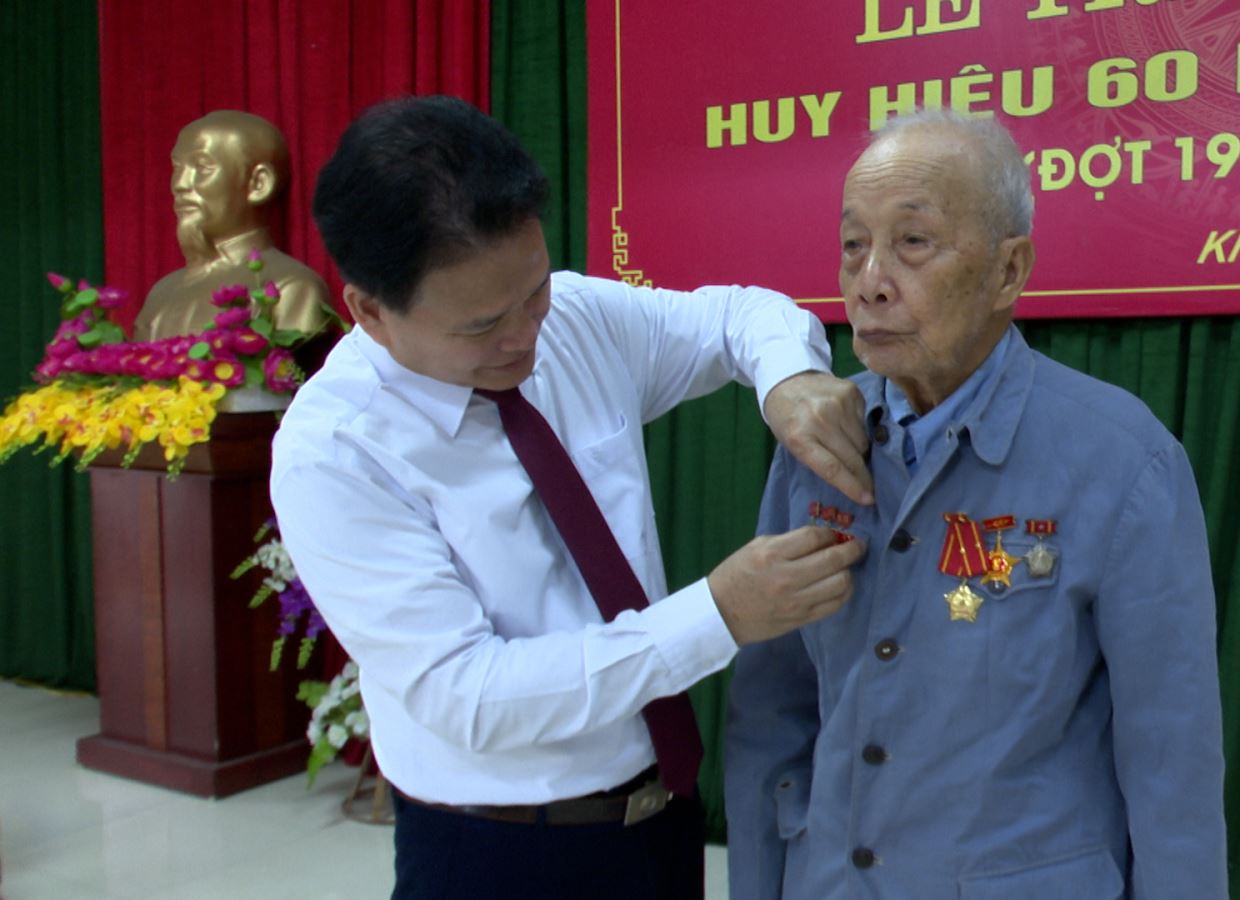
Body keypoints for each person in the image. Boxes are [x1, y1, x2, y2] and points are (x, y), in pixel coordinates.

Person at [270, 96, 871, 899]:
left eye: (532, 293)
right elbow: (470, 694)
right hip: (498, 850)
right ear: (371, 312)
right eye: (481, 325)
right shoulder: (335, 452)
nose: (523, 336)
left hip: (661, 817)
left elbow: (739, 317)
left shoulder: (574, 320)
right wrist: (718, 614)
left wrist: (790, 380)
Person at [726, 110, 1228, 899]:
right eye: (853, 244)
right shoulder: (817, 446)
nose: (870, 280)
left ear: (1007, 270)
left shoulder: (1122, 462)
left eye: (912, 242)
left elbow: (1173, 761)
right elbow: (770, 717)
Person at [134, 110, 333, 342]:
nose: (180, 184)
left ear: (259, 184)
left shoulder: (291, 288)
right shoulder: (162, 294)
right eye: (178, 167)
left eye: (202, 167)